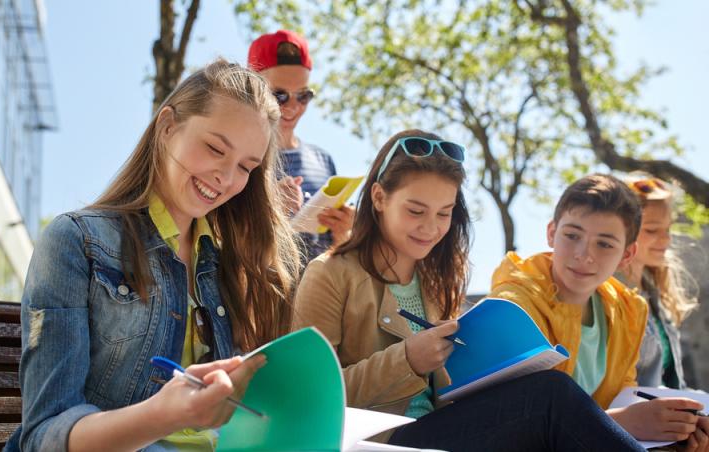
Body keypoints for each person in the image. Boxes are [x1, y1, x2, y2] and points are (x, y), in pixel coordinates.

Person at [4, 59, 301, 452]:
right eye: (215, 148)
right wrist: (162, 415)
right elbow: (43, 438)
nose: (227, 178)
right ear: (167, 127)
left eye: (247, 167)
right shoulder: (77, 241)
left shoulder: (232, 263)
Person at [293, 130, 645, 451]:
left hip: (440, 430)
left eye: (444, 213)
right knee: (551, 395)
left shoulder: (436, 280)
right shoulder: (330, 274)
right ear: (379, 198)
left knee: (544, 399)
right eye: (416, 210)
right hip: (377, 441)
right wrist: (407, 360)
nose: (430, 228)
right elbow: (307, 398)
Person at [489, 174, 708, 450]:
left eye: (604, 244)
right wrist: (619, 423)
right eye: (572, 236)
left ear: (627, 255)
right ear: (551, 233)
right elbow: (511, 427)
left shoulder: (628, 313)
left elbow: (624, 407)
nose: (584, 254)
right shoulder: (514, 306)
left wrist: (675, 439)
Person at [248, 29, 354, 261]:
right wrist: (269, 209)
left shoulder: (322, 160)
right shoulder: (240, 159)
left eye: (303, 95)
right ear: (252, 89)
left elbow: (334, 253)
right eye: (280, 95)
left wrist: (344, 235)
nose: (293, 106)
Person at [616, 174, 699, 389]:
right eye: (652, 230)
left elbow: (673, 383)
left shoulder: (656, 295)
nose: (667, 239)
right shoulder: (606, 296)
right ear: (622, 231)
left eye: (668, 229)